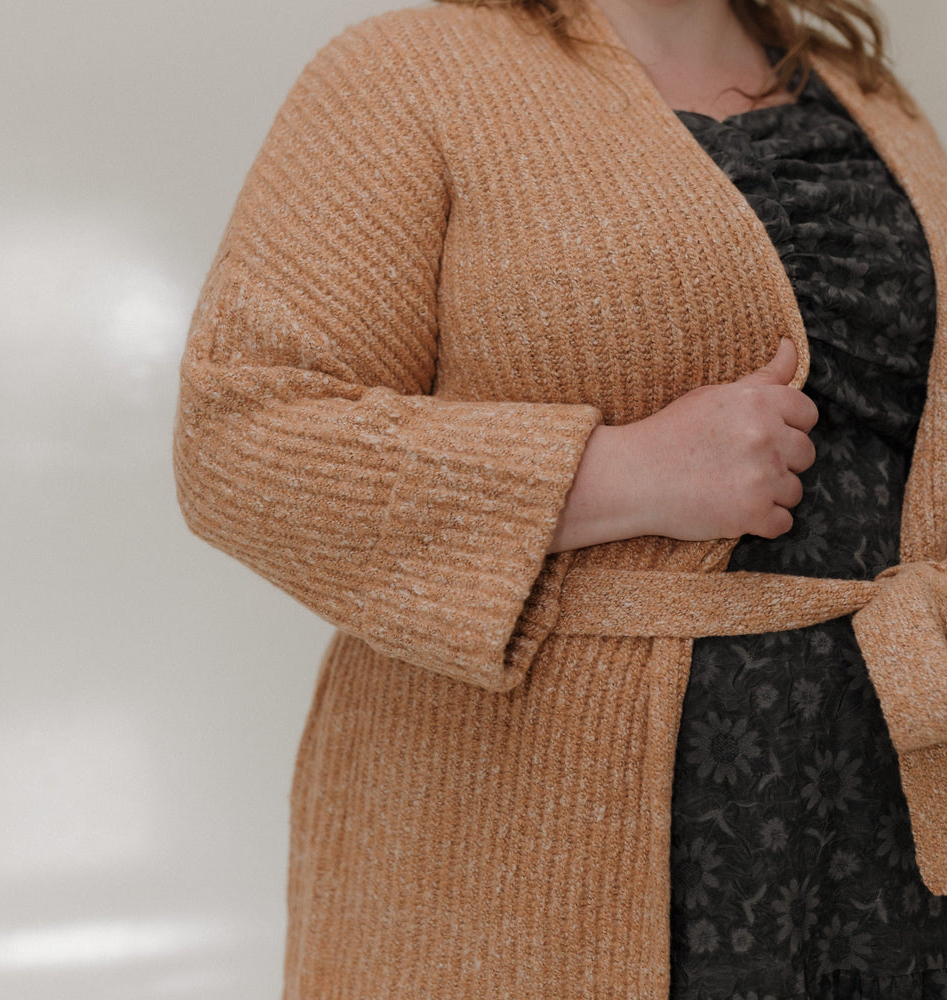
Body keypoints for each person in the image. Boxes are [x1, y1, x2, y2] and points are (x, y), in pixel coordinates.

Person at [172, 0, 947, 996]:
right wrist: (624, 472)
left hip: (884, 815)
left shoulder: (860, 90)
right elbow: (240, 438)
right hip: (544, 834)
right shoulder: (403, 74)